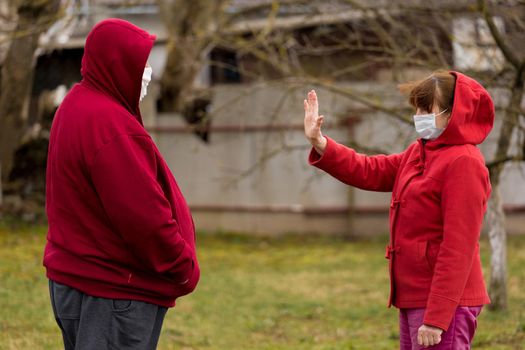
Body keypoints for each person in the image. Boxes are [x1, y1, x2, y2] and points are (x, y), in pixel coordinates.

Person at [303, 70, 494, 349]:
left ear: (455, 112)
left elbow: (459, 247)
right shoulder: (420, 151)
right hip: (415, 295)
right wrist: (320, 142)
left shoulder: (464, 162)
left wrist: (437, 317)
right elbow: (370, 170)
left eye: (427, 109)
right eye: (417, 108)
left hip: (442, 302)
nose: (419, 115)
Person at [43, 18, 199, 350]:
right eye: (140, 64)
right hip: (114, 292)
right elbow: (144, 219)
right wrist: (183, 269)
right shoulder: (111, 128)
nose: (148, 74)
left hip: (79, 281)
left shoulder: (76, 105)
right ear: (116, 65)